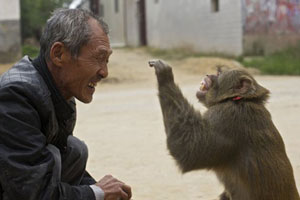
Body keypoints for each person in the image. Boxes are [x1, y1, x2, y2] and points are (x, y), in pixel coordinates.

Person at [0, 8, 132, 200]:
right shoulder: (16, 96)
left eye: (107, 61)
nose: (104, 72)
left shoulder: (59, 92)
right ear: (59, 54)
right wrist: (98, 193)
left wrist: (104, 191)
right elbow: (33, 194)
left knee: (74, 151)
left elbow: (64, 173)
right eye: (98, 58)